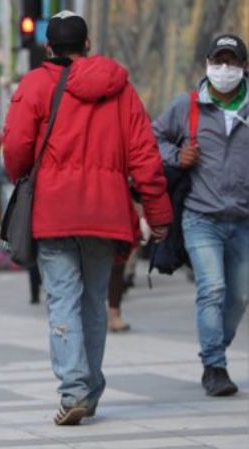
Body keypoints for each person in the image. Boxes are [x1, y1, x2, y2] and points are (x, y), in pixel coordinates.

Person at [2, 11, 172, 425]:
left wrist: (22, 175)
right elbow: (145, 154)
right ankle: (89, 391)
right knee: (95, 302)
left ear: (48, 47)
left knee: (63, 299)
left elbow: (16, 148)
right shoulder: (121, 88)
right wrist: (158, 212)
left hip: (54, 211)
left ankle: (75, 389)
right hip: (107, 212)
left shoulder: (36, 84)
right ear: (88, 44)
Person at [153, 34, 249, 397]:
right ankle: (214, 366)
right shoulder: (187, 106)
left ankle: (216, 348)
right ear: (207, 63)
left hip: (243, 219)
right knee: (213, 289)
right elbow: (154, 138)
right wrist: (177, 157)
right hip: (200, 217)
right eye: (218, 60)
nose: (224, 69)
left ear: (245, 66)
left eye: (232, 61)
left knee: (239, 298)